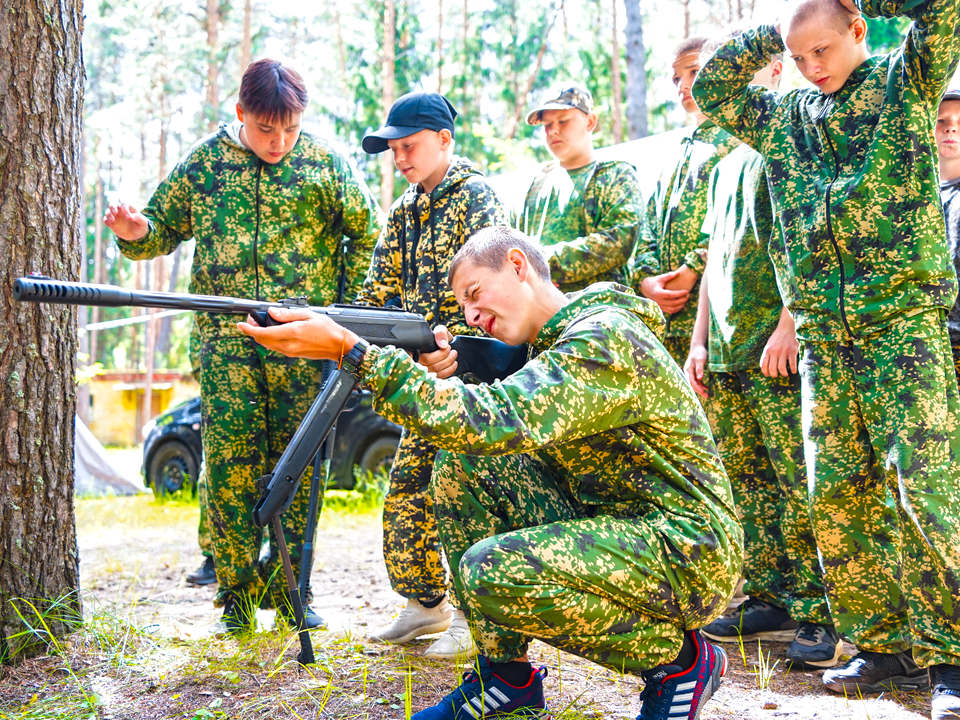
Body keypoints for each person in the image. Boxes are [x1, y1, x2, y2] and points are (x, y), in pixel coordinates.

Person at [237, 225, 743, 720]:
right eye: (463, 310)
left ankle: (680, 664)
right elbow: (490, 423)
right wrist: (444, 365)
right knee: (464, 464)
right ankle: (507, 677)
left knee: (490, 571)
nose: (473, 316)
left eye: (474, 294)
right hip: (622, 525)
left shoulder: (604, 336)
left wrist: (355, 353)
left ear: (518, 265)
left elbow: (494, 419)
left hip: (687, 546)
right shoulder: (553, 346)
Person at [692, 0, 960, 715]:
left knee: (922, 491)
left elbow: (940, 10)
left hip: (899, 329)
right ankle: (883, 645)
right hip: (824, 340)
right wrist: (773, 25)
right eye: (798, 54)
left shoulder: (904, 84)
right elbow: (716, 87)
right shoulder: (784, 117)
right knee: (837, 497)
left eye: (823, 49)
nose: (812, 66)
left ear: (857, 32)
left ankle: (952, 658)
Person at [105, 58, 382, 634]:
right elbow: (160, 226)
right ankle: (233, 595)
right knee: (231, 464)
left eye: (290, 130)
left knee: (301, 462)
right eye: (265, 130)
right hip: (225, 339)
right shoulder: (206, 162)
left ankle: (291, 592)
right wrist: (136, 234)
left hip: (302, 340)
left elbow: (368, 233)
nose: (279, 142)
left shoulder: (325, 162)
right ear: (240, 114)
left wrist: (340, 311)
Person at [684, 47, 839, 670]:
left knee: (795, 478)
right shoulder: (725, 165)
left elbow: (807, 245)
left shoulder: (787, 148)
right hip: (723, 351)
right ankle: (771, 594)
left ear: (775, 73)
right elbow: (713, 265)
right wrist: (698, 342)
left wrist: (790, 323)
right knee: (748, 483)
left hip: (773, 349)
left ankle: (818, 611)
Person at [355, 91, 506, 659]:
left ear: (444, 140)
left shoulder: (477, 197)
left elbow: (495, 292)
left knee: (466, 492)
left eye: (409, 146)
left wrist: (461, 355)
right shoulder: (404, 212)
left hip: (475, 380)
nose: (399, 158)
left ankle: (477, 616)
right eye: (393, 149)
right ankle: (425, 604)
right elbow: (376, 295)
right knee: (407, 494)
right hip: (425, 372)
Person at [629, 36, 741, 366]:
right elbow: (647, 225)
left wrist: (692, 268)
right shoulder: (671, 154)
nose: (684, 86)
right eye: (676, 78)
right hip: (667, 325)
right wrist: (646, 280)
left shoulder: (736, 140)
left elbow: (734, 219)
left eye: (693, 71)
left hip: (716, 323)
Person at [511, 82, 643, 292]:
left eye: (563, 121)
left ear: (590, 121)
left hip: (601, 314)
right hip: (540, 318)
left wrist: (542, 264)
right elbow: (511, 247)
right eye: (546, 125)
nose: (553, 131)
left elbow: (619, 241)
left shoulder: (615, 175)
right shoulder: (532, 187)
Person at [937, 89, 960, 386]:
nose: (951, 127)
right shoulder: (912, 194)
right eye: (941, 120)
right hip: (929, 346)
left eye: (959, 120)